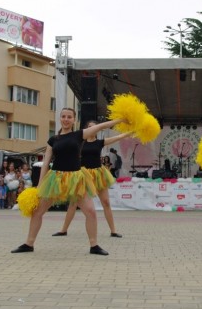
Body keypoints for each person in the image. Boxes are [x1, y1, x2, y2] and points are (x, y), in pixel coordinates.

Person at [11, 108, 125, 255]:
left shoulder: (80, 134)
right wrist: (39, 185)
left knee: (90, 211)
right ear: (60, 118)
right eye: (63, 116)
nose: (66, 119)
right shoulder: (53, 140)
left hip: (76, 179)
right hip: (55, 178)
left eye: (69, 117)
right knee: (38, 212)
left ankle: (94, 245)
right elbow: (46, 163)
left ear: (74, 120)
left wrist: (122, 120)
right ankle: (29, 243)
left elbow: (102, 126)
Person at [52, 120, 131, 238]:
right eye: (89, 127)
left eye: (94, 127)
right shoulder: (79, 141)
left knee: (106, 202)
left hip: (98, 174)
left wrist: (130, 132)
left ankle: (113, 230)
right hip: (82, 175)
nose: (92, 129)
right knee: (73, 203)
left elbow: (118, 137)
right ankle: (63, 230)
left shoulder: (100, 142)